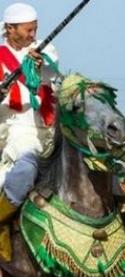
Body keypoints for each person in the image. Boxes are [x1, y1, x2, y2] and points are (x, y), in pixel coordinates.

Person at [0, 2, 60, 262]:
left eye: (35, 29)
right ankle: (1, 222)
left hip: (52, 125)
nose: (33, 35)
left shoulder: (45, 49)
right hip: (16, 127)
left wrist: (38, 62)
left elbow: (52, 70)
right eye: (28, 30)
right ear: (10, 28)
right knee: (26, 167)